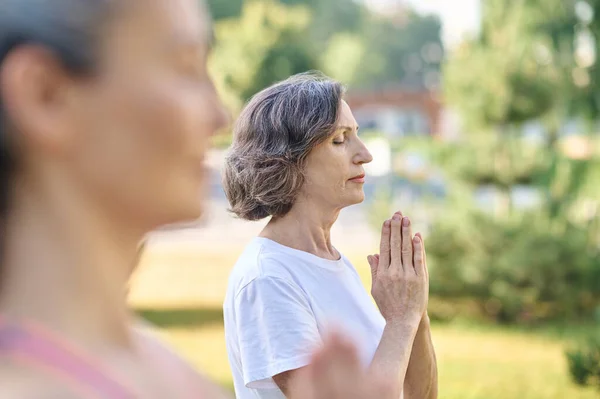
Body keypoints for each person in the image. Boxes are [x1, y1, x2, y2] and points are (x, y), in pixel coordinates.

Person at [0, 0, 398, 398]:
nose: (219, 115)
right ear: (46, 94)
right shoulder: (31, 384)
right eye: (184, 68)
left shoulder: (144, 362)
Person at [223, 72, 438, 399]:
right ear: (288, 160)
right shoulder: (268, 280)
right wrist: (399, 322)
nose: (365, 154)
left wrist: (414, 311)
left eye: (357, 135)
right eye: (340, 139)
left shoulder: (332, 264)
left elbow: (418, 395)